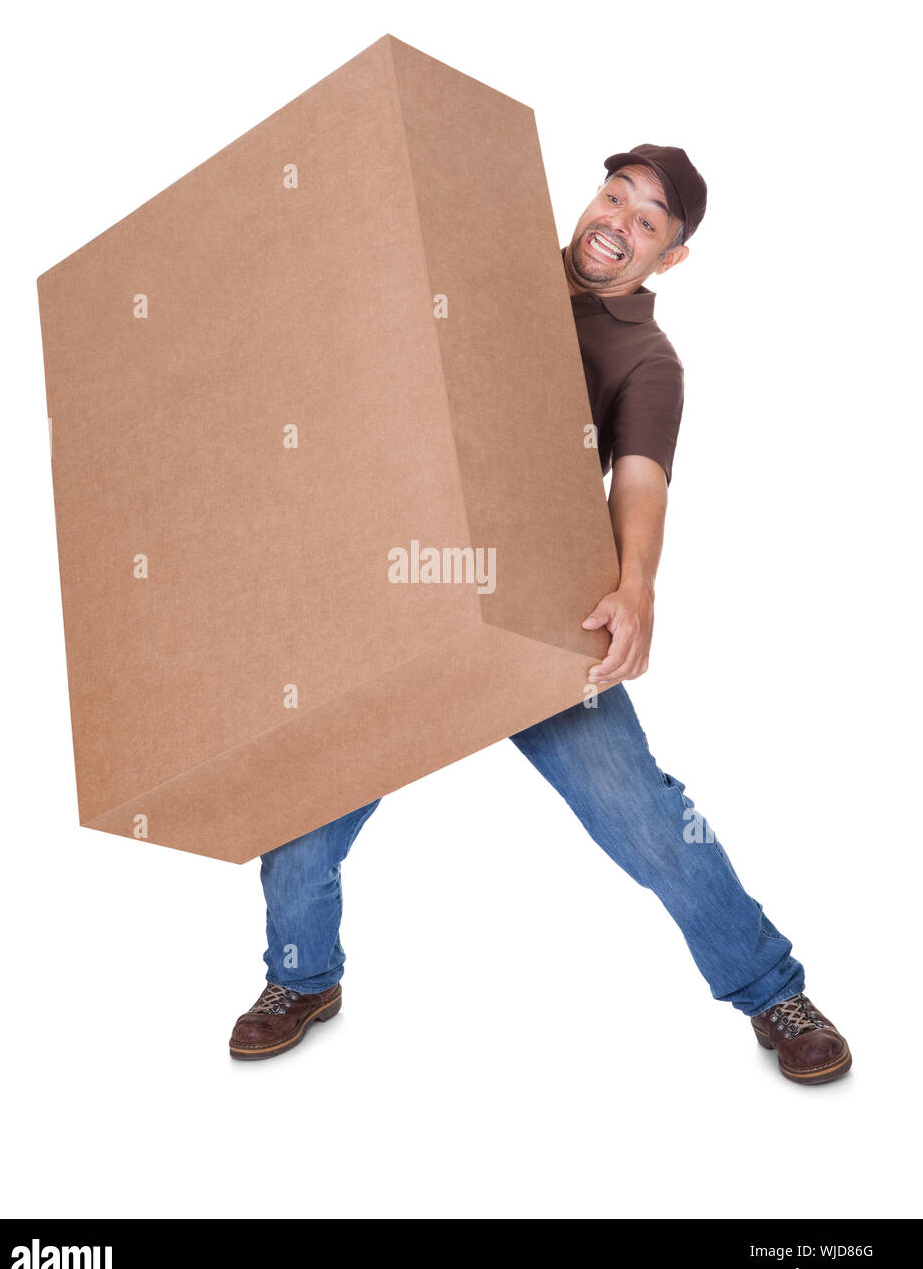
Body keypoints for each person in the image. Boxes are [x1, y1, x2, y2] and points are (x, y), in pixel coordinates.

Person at [229, 144, 851, 1086]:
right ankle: (303, 977)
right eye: (615, 197)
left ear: (669, 258)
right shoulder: (482, 269)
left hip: (536, 613)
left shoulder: (646, 359)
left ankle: (773, 991)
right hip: (401, 587)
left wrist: (637, 586)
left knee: (643, 813)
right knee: (306, 793)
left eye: (650, 222)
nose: (620, 222)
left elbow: (640, 482)